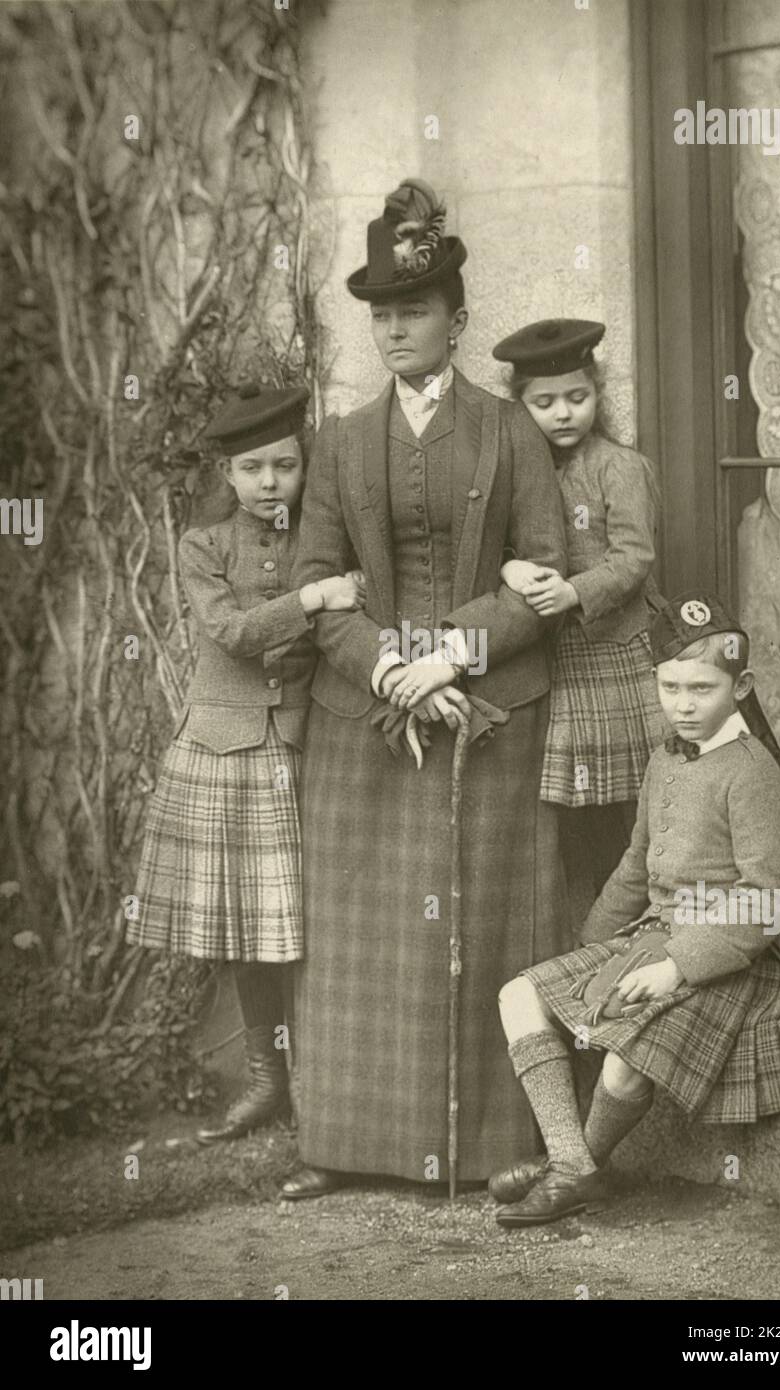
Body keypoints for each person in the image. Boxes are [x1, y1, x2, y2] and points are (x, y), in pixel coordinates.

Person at [282, 177, 569, 1199]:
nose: (396, 328)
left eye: (415, 310)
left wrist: (453, 653)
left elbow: (545, 574)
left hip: (490, 713)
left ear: (457, 317)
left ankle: (504, 1147)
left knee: (486, 928)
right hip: (367, 719)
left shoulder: (511, 432)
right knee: (371, 938)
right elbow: (317, 592)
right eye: (382, 314)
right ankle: (350, 1144)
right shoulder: (343, 442)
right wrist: (396, 667)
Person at [490, 591, 780, 1227]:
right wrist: (591, 948)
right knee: (518, 995)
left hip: (726, 953)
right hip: (652, 933)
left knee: (626, 1058)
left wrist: (677, 967)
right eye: (670, 688)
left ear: (741, 687)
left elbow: (769, 900)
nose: (684, 706)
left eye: (702, 689)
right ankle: (572, 1162)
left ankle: (572, 1167)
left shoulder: (752, 773)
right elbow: (637, 865)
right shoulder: (663, 758)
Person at [128, 382, 364, 1158]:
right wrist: (313, 598)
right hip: (223, 747)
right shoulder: (203, 547)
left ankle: (316, 1083)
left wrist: (323, 589)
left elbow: (343, 616)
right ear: (228, 476)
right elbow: (230, 632)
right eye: (254, 468)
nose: (271, 483)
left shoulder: (324, 544)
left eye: (286, 467)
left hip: (306, 742)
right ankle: (264, 1081)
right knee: (237, 923)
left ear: (306, 467)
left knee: (307, 922)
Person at [493, 319, 666, 911]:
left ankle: (642, 923)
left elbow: (634, 558)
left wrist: (574, 593)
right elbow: (501, 544)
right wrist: (510, 570)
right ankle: (586, 934)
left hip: (615, 655)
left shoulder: (618, 465)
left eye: (577, 397)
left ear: (598, 394)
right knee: (571, 806)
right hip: (555, 662)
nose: (562, 413)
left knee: (630, 805)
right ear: (521, 406)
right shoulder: (519, 473)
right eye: (543, 402)